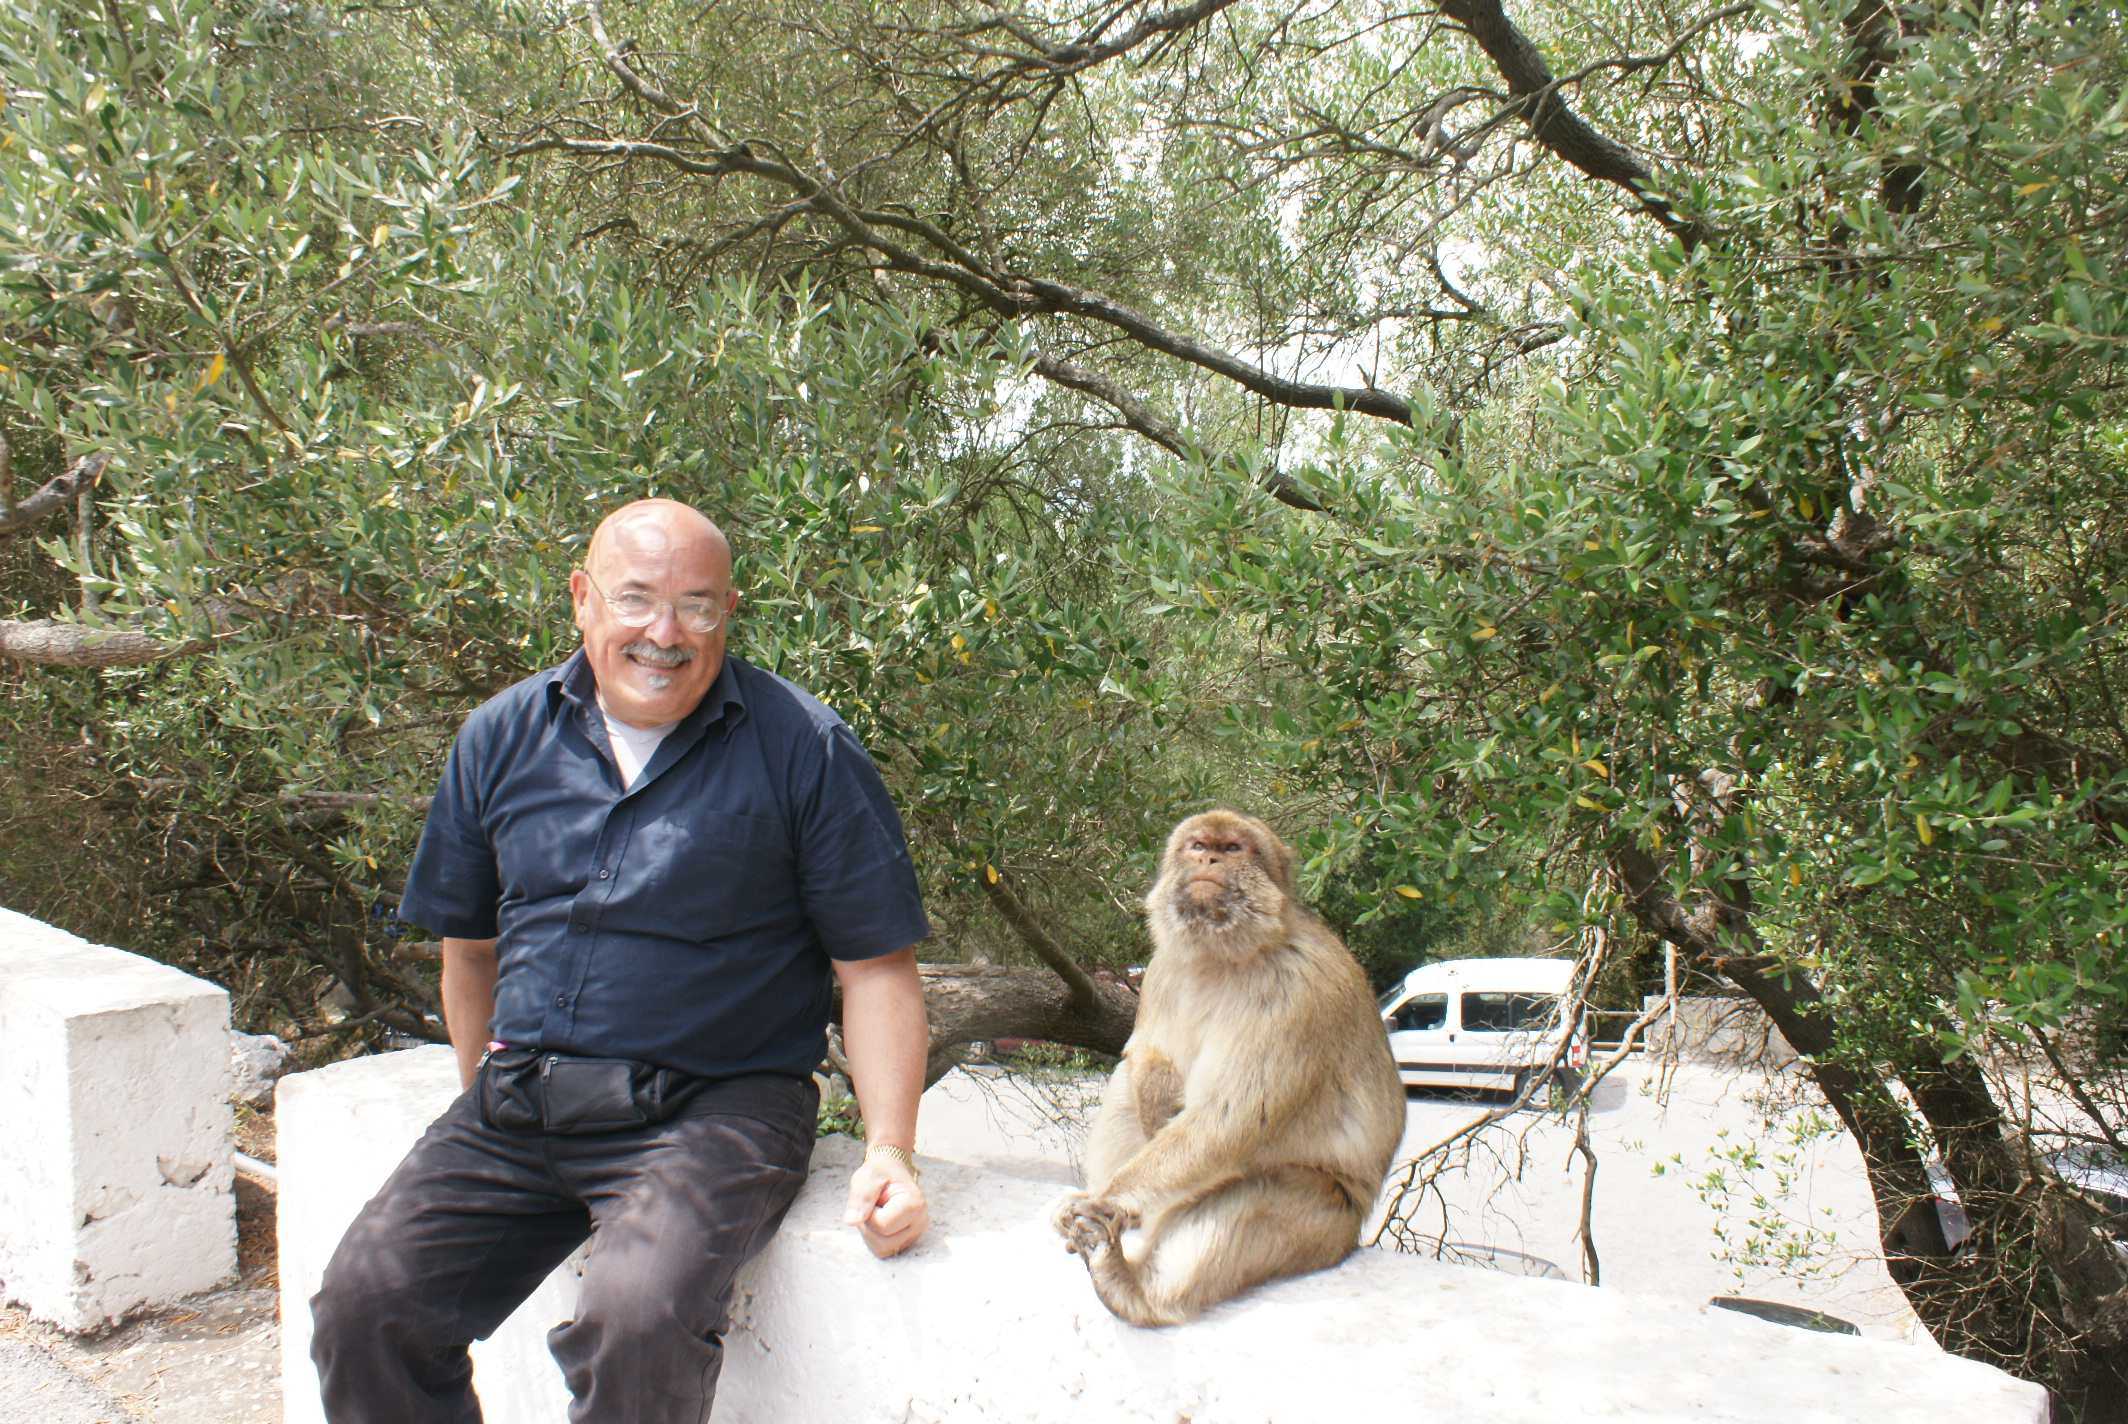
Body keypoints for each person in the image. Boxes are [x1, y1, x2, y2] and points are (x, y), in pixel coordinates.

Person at [309, 498, 932, 1423]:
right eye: (635, 598)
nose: (663, 633)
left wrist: (891, 1152)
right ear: (582, 599)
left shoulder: (804, 747)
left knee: (636, 1321)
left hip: (714, 1112)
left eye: (696, 605)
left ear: (729, 611)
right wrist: (478, 1093)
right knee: (364, 1308)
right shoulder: (501, 736)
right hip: (521, 1101)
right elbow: (469, 950)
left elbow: (876, 970)